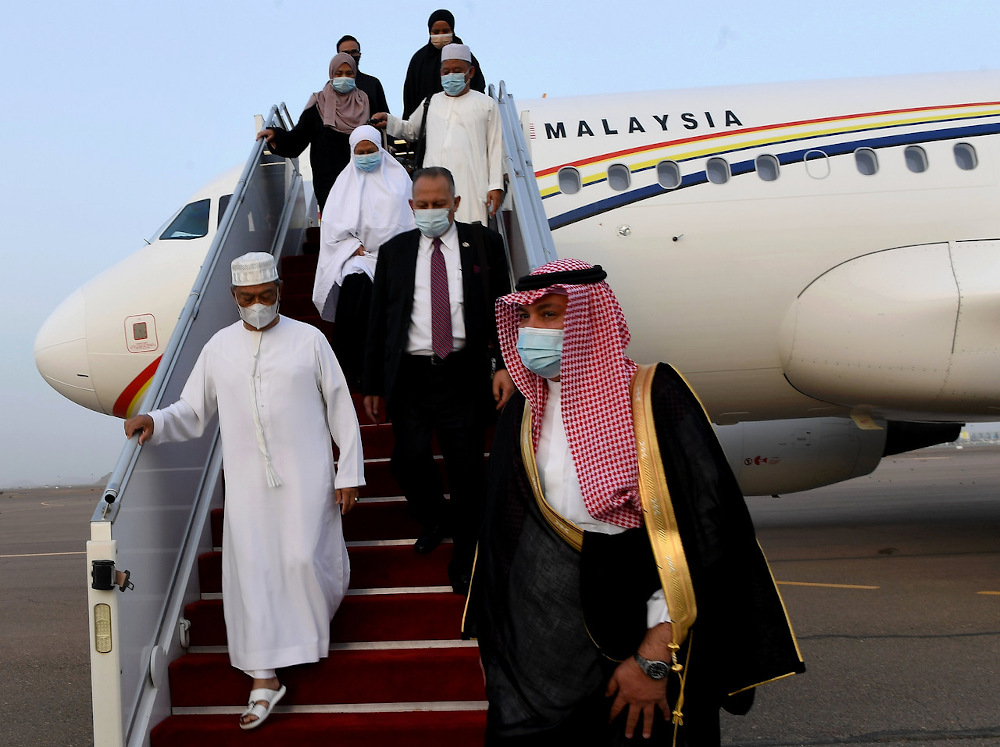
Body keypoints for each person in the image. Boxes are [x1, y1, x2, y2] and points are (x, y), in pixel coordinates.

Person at [464, 258, 805, 745]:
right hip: (545, 650)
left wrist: (655, 654)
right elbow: (507, 536)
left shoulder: (652, 395)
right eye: (524, 317)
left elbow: (706, 532)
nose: (531, 330)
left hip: (640, 634)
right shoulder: (523, 407)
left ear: (589, 318)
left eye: (550, 314)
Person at [123, 252, 365, 731]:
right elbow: (192, 411)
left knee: (304, 560)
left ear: (280, 290)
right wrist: (154, 420)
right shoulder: (218, 347)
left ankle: (303, 635)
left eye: (266, 296)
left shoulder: (309, 339)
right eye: (248, 298)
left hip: (307, 476)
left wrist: (349, 471)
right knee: (252, 573)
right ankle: (263, 677)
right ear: (233, 297)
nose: (258, 305)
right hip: (248, 485)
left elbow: (340, 404)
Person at [362, 166, 515, 595]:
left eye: (439, 204)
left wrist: (504, 364)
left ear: (456, 203)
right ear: (411, 206)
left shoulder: (484, 244)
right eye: (423, 205)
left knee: (467, 472)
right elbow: (379, 323)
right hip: (410, 378)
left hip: (462, 375)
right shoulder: (394, 252)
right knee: (408, 460)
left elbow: (504, 309)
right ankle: (435, 517)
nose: (431, 211)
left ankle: (466, 559)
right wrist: (371, 383)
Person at [314, 124, 415, 388]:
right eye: (361, 152)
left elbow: (411, 222)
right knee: (355, 283)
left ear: (380, 149)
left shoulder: (399, 179)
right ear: (352, 153)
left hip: (396, 255)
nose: (366, 156)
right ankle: (354, 369)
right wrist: (351, 247)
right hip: (361, 254)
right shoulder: (343, 184)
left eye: (371, 150)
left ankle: (390, 368)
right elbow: (333, 231)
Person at [373, 43, 502, 225]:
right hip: (433, 182)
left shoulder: (486, 104)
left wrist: (496, 186)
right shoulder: (431, 101)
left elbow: (496, 147)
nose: (451, 76)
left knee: (470, 235)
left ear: (470, 72)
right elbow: (411, 130)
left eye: (457, 70)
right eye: (446, 71)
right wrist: (390, 121)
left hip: (471, 183)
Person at [256, 53, 369, 213]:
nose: (344, 78)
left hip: (360, 181)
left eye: (349, 74)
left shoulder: (363, 102)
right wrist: (276, 135)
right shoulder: (318, 104)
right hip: (328, 184)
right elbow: (297, 139)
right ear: (331, 74)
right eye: (339, 74)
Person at [402, 8, 486, 119]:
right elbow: (410, 95)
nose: (441, 35)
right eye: (436, 32)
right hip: (426, 125)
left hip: (463, 121)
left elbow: (478, 87)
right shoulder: (419, 60)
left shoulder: (465, 56)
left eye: (445, 31)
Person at [336, 35, 390, 116]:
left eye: (354, 52)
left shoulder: (373, 84)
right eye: (345, 53)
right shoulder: (331, 87)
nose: (350, 56)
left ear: (359, 55)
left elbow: (386, 119)